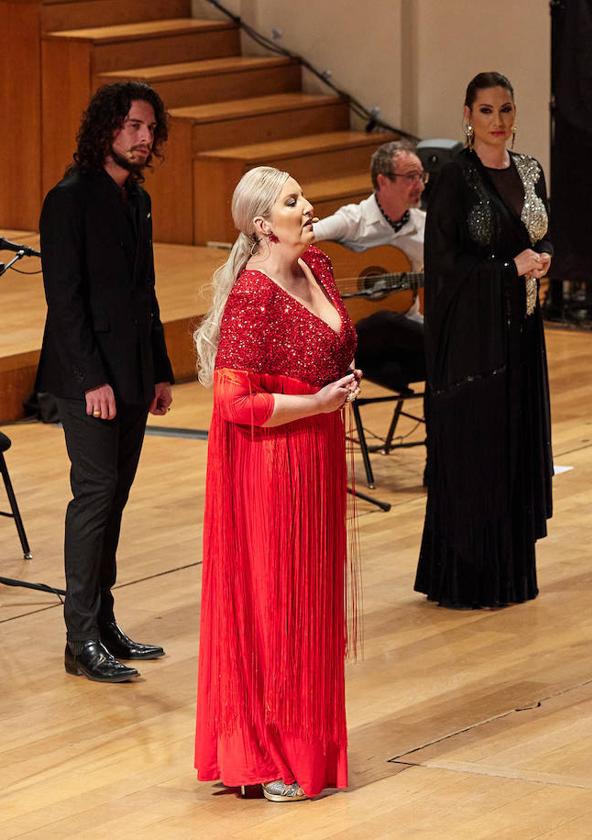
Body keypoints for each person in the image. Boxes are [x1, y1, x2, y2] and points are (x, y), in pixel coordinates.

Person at [193, 166, 361, 802]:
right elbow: (236, 402)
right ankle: (266, 756)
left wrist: (336, 388)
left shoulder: (316, 263)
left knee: (309, 606)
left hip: (316, 457)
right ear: (262, 224)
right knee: (275, 609)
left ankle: (305, 747)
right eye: (293, 201)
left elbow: (331, 348)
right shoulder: (253, 294)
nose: (309, 206)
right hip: (274, 471)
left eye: (304, 194)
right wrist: (316, 404)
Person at [39, 82, 174, 683]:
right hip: (85, 379)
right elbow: (64, 301)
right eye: (132, 127)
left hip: (133, 375)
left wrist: (161, 369)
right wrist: (91, 378)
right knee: (93, 499)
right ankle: (80, 638)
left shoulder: (137, 202)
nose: (143, 138)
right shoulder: (68, 200)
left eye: (149, 128)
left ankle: (106, 622)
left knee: (114, 499)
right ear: (106, 130)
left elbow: (144, 294)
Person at [415, 71, 553, 607]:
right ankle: (469, 578)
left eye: (506, 109)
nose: (498, 121)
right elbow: (444, 267)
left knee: (515, 446)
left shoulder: (530, 170)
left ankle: (512, 573)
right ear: (467, 115)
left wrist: (542, 258)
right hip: (473, 342)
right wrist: (506, 268)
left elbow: (540, 232)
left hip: (522, 332)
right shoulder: (454, 177)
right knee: (479, 452)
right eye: (487, 111)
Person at [313, 139, 427, 391]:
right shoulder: (354, 220)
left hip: (406, 336)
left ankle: (440, 430)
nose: (418, 185)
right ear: (383, 180)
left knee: (456, 348)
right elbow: (301, 238)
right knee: (384, 320)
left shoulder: (427, 227)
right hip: (357, 336)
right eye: (410, 177)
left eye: (421, 176)